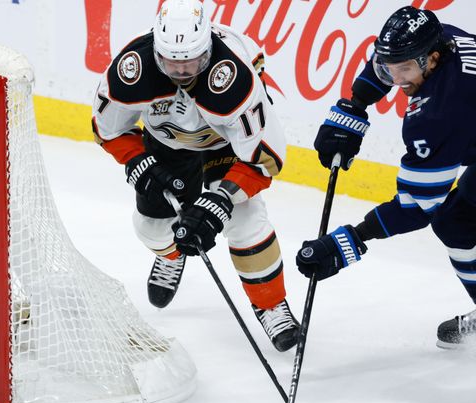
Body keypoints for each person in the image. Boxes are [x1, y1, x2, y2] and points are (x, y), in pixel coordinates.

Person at [91, 0, 299, 351]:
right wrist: (137, 160)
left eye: (192, 60)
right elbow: (106, 129)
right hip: (166, 142)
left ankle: (271, 304)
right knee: (151, 227)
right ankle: (171, 255)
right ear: (156, 49)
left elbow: (267, 159)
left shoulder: (235, 77)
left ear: (208, 48)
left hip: (227, 145)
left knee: (244, 221)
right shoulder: (133, 68)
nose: (183, 71)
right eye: (173, 61)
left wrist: (220, 199)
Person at [297, 6, 476, 349]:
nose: (395, 80)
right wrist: (355, 106)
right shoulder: (442, 37)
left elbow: (416, 207)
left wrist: (351, 239)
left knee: (456, 220)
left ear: (432, 60)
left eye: (404, 70)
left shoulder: (439, 112)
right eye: (389, 68)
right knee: (456, 222)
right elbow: (386, 65)